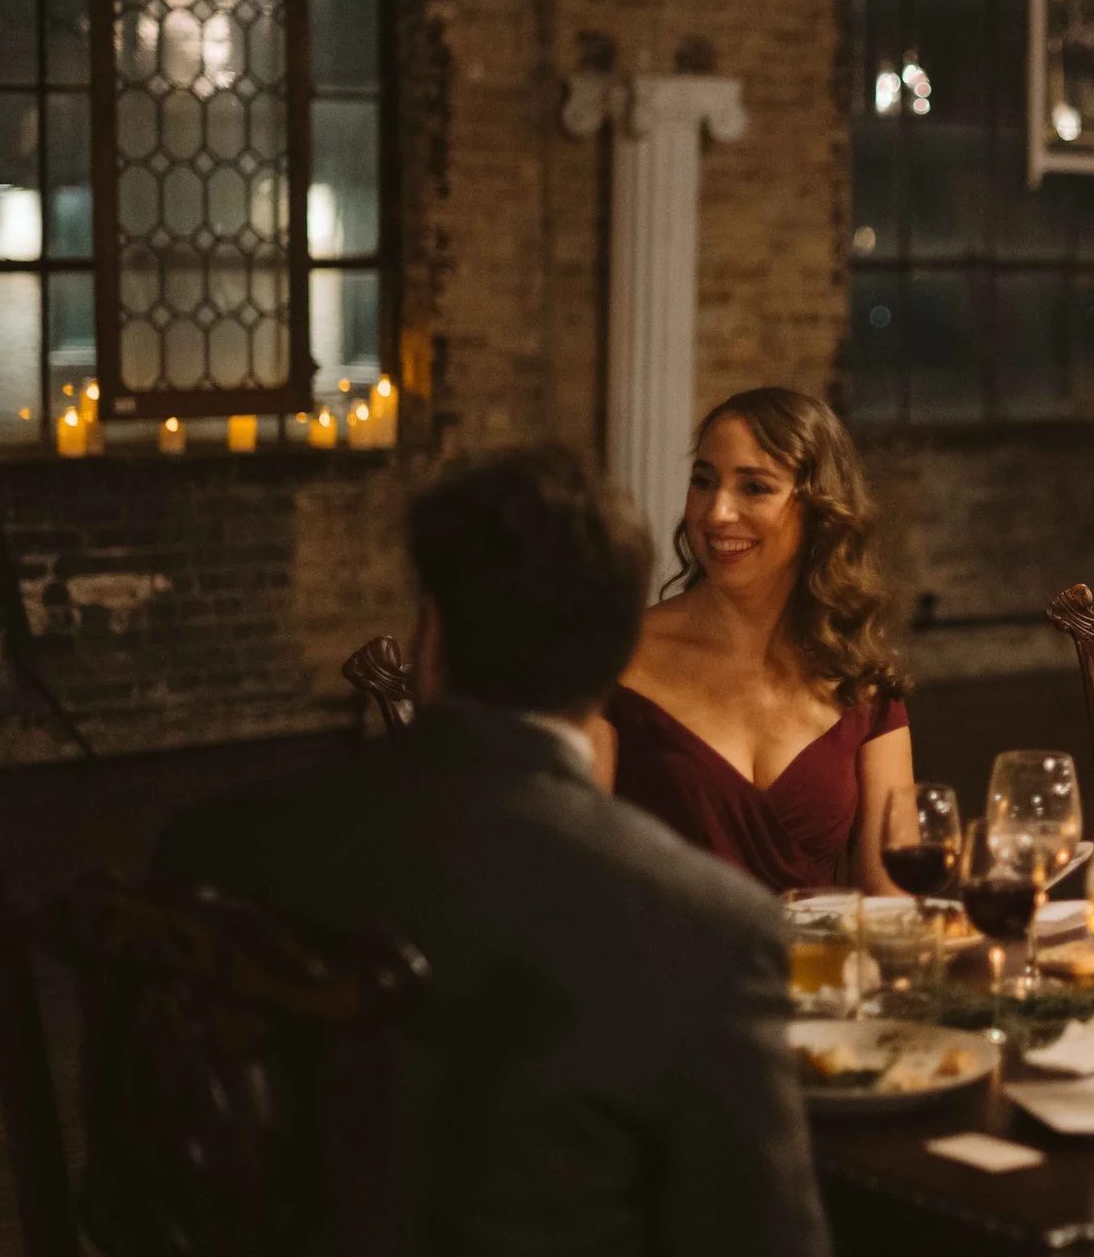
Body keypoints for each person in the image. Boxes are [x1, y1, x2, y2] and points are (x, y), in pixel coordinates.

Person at [156, 447, 830, 1257]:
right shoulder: (708, 928)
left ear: (430, 637)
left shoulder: (213, 848)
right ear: (620, 659)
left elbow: (141, 1180)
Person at [598, 387, 914, 895]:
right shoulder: (614, 659)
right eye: (704, 481)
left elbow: (894, 899)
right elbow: (573, 878)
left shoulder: (859, 681)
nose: (717, 512)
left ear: (819, 510)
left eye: (755, 488)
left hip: (821, 973)